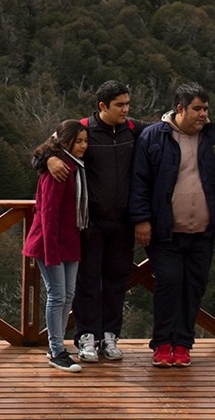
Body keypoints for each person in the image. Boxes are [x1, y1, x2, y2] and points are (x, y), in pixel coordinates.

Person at [46, 80, 147, 362]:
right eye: (120, 105)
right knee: (87, 281)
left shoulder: (133, 129)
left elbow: (163, 132)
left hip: (123, 223)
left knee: (117, 281)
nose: (126, 109)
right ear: (102, 106)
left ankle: (110, 336)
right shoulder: (82, 129)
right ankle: (86, 337)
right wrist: (48, 161)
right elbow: (45, 149)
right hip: (90, 222)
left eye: (127, 104)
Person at [130, 82, 215, 368]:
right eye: (197, 109)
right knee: (169, 284)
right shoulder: (153, 137)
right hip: (165, 230)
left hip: (203, 232)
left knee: (193, 287)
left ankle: (182, 343)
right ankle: (162, 344)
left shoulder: (212, 138)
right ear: (180, 108)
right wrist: (141, 220)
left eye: (206, 109)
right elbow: (139, 181)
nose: (203, 115)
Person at [24, 120, 89, 373]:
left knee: (68, 295)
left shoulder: (73, 165)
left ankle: (57, 346)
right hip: (50, 241)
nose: (84, 146)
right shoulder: (59, 170)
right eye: (79, 141)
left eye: (86, 141)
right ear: (66, 142)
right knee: (57, 295)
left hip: (69, 239)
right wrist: (50, 250)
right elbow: (48, 213)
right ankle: (56, 349)